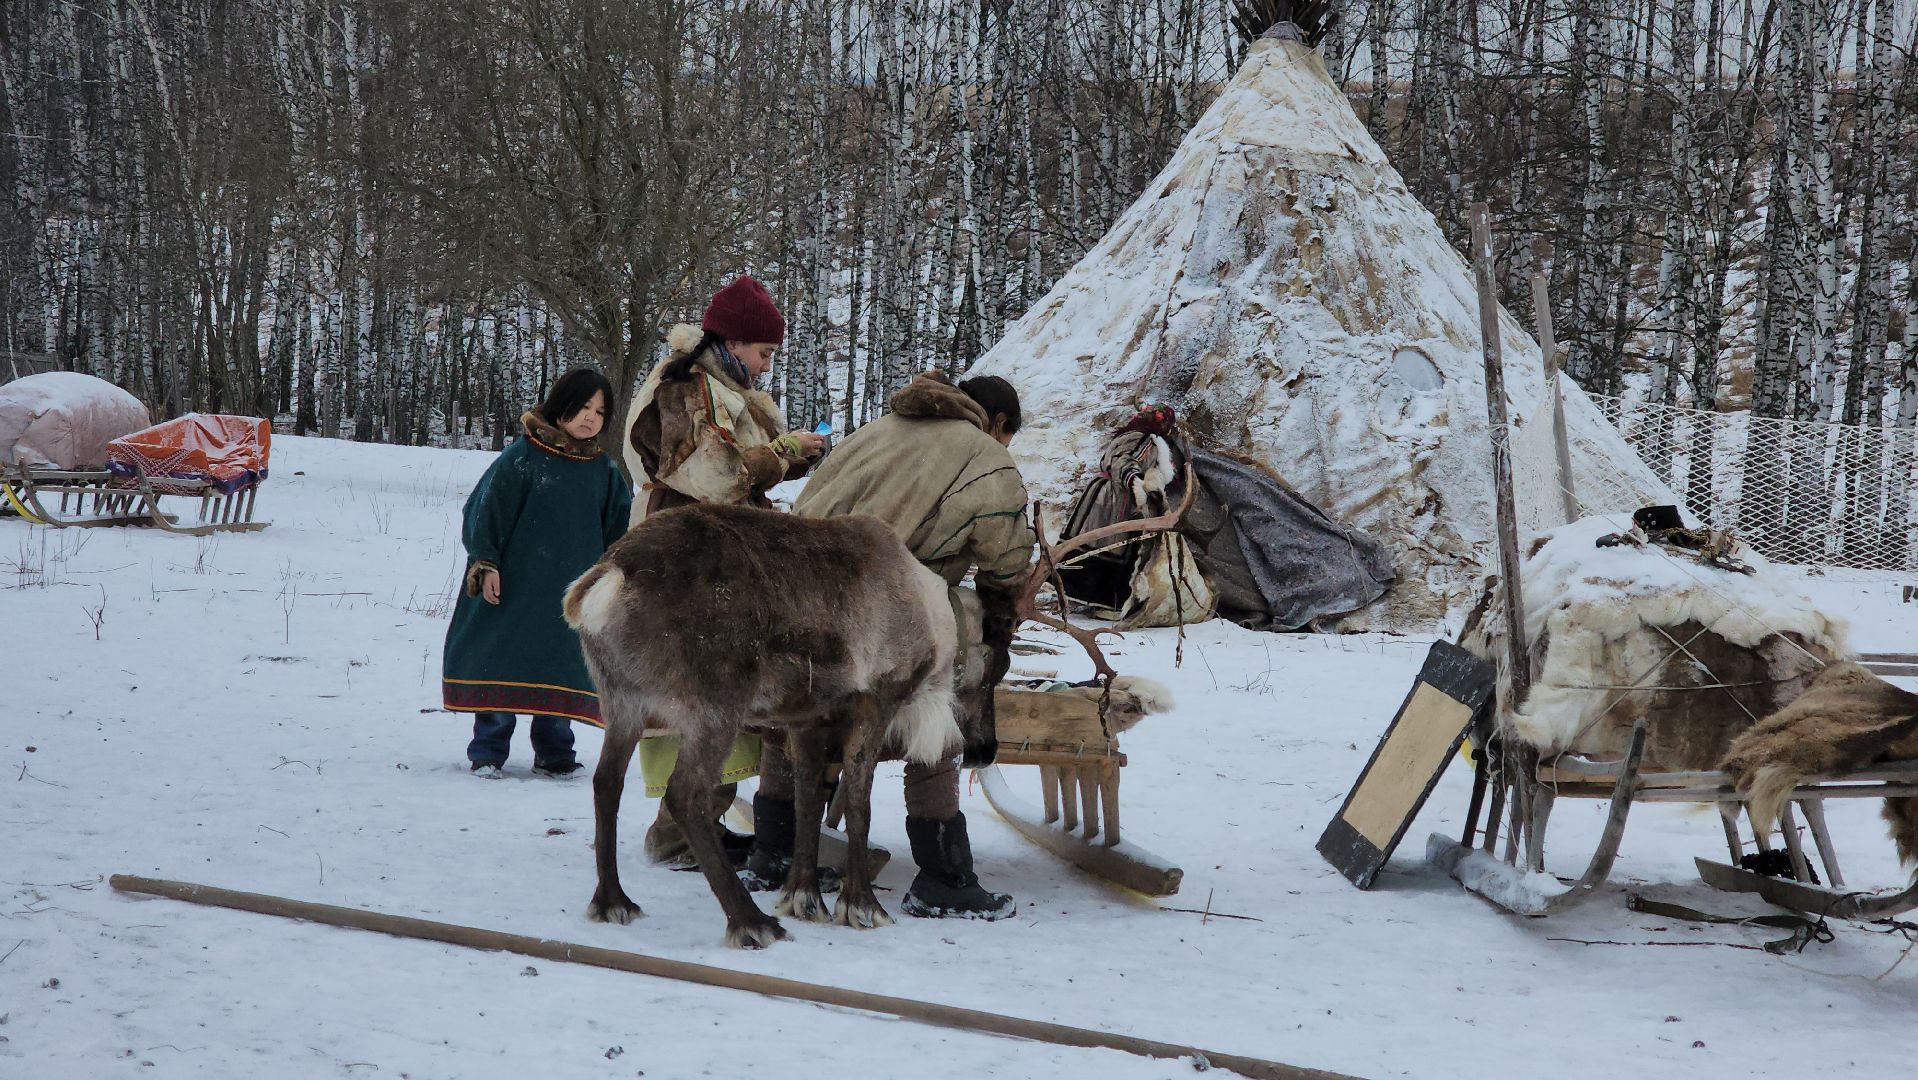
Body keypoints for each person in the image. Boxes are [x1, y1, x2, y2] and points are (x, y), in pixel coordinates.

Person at [744, 369, 1033, 920]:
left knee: (799, 720)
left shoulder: (873, 431)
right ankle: (943, 875)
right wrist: (999, 611)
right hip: (894, 610)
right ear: (997, 424)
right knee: (938, 712)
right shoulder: (986, 456)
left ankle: (772, 851)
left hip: (805, 598)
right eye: (1007, 437)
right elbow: (1007, 558)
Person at [624, 274, 827, 865]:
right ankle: (682, 831)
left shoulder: (719, 386)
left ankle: (689, 826)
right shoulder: (685, 388)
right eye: (764, 353)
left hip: (713, 557)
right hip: (685, 562)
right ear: (734, 342)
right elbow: (711, 476)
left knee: (719, 691)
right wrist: (784, 452)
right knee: (703, 691)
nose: (766, 367)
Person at [442, 368, 633, 778]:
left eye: (600, 412)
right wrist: (485, 563)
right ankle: (489, 749)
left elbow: (619, 534)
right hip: (514, 586)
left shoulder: (605, 472)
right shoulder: (522, 458)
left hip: (572, 592)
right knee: (503, 659)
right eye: (582, 407)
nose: (590, 418)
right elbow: (484, 513)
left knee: (561, 663)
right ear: (560, 404)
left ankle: (555, 750)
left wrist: (613, 580)